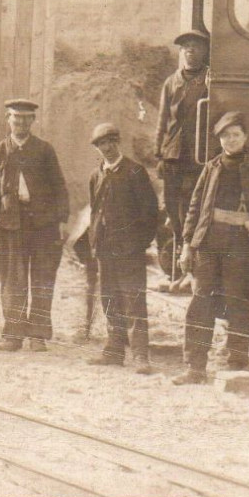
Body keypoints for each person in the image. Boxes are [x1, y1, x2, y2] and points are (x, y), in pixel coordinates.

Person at [173, 112, 249, 384]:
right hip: (209, 244)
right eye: (226, 135)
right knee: (201, 303)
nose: (231, 139)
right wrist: (188, 245)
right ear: (219, 139)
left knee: (238, 304)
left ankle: (236, 365)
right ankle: (195, 368)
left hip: (242, 245)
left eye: (236, 134)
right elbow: (195, 207)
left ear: (245, 137)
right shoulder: (212, 167)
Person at [0, 98, 70, 351]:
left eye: (25, 118)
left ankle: (38, 335)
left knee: (42, 277)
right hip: (10, 224)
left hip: (43, 224)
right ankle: (13, 334)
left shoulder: (44, 150)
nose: (20, 122)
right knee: (13, 280)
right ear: (7, 120)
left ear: (33, 121)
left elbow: (59, 186)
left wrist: (62, 219)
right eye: (15, 117)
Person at [75, 123, 160, 374]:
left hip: (129, 250)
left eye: (111, 141)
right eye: (102, 144)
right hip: (105, 249)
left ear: (118, 142)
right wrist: (94, 243)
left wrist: (138, 244)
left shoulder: (135, 172)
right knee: (109, 299)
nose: (107, 148)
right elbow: (95, 211)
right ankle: (113, 351)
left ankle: (140, 355)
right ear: (97, 148)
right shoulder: (96, 175)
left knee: (134, 300)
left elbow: (150, 213)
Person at [154, 29, 210, 290]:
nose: (190, 51)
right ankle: (176, 273)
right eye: (186, 47)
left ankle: (192, 274)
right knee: (173, 213)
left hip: (197, 157)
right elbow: (163, 119)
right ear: (181, 53)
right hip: (173, 155)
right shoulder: (171, 82)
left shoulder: (210, 80)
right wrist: (158, 152)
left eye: (195, 46)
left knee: (192, 211)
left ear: (204, 51)